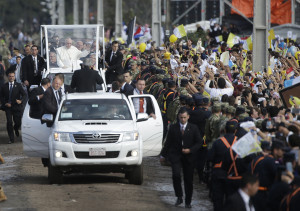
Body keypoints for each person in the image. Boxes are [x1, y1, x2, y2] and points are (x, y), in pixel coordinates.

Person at [161, 108, 202, 208]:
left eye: (184, 117)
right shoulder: (173, 127)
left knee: (188, 179)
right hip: (176, 155)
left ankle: (188, 201)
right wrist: (163, 155)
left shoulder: (193, 128)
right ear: (178, 117)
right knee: (176, 175)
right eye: (181, 117)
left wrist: (190, 150)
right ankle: (179, 196)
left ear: (188, 117)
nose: (183, 119)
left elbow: (199, 142)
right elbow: (168, 142)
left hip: (189, 157)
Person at [0, 71, 26, 144]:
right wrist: (5, 103)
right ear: (8, 77)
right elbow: (1, 96)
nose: (11, 78)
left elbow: (24, 95)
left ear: (14, 77)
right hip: (8, 107)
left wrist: (21, 101)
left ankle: (16, 128)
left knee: (17, 122)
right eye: (10, 76)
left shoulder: (18, 85)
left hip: (16, 107)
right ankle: (11, 138)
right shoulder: (4, 86)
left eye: (12, 76)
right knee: (9, 122)